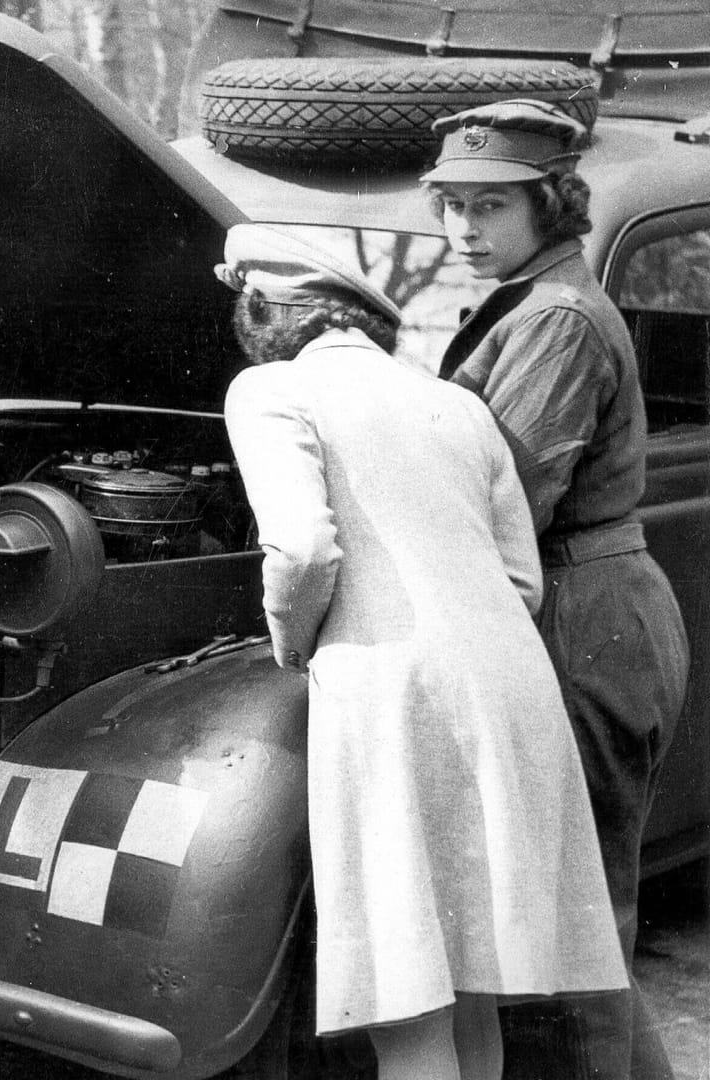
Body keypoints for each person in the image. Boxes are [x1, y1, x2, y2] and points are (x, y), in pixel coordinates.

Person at [216, 222, 626, 1080]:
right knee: (475, 995)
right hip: (512, 690)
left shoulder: (269, 389)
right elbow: (521, 580)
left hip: (392, 695)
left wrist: (295, 648)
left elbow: (301, 551)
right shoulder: (459, 405)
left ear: (261, 312)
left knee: (405, 1004)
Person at [424, 100, 691, 1080]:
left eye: (489, 206)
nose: (462, 229)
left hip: (584, 623)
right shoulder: (526, 304)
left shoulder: (559, 320)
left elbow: (500, 501)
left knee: (564, 945)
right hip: (581, 612)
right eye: (450, 204)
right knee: (581, 937)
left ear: (554, 205)